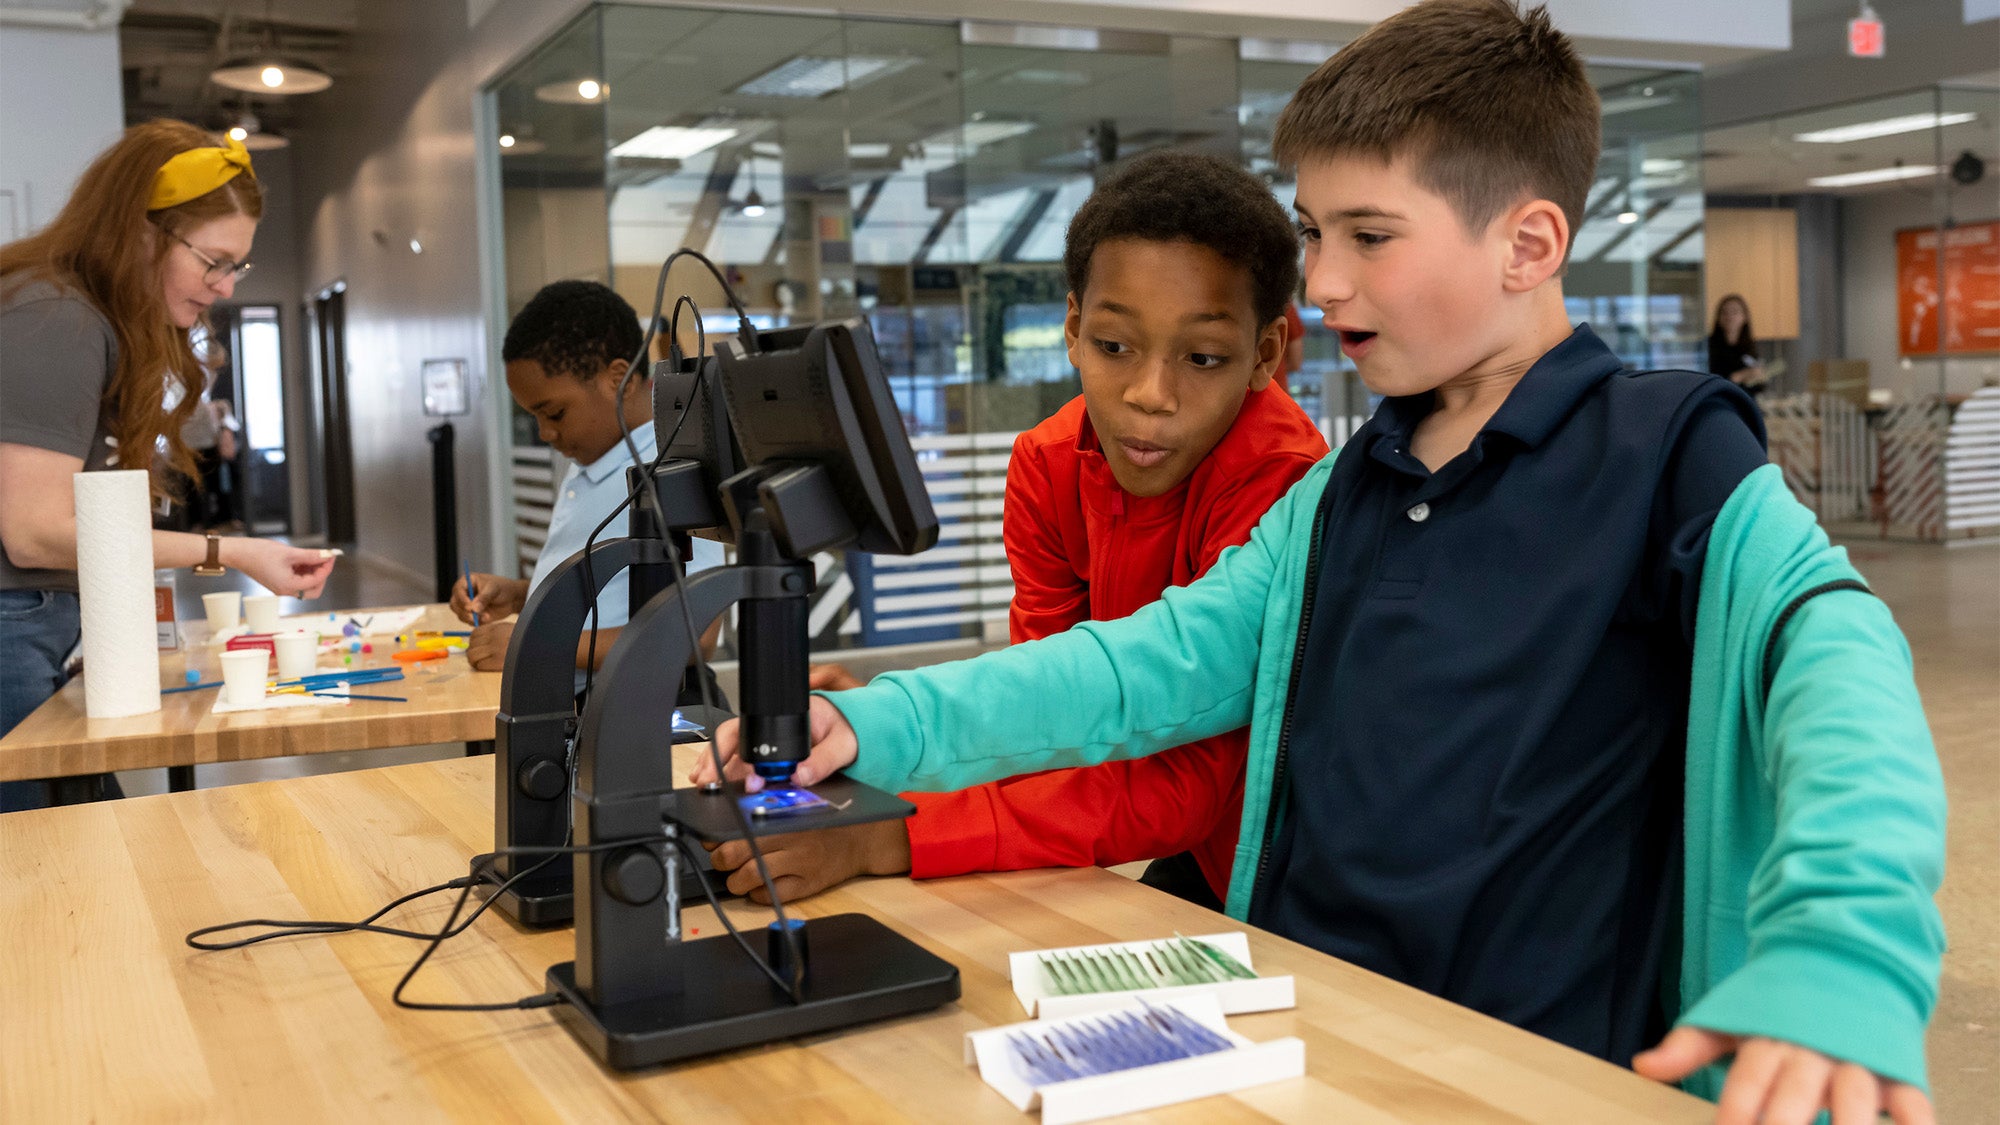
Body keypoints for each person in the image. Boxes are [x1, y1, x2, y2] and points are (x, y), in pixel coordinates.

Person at [697, 4, 1947, 1122]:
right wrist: (876, 728)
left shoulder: (1671, 451)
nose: (1327, 279)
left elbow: (1843, 673)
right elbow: (1149, 665)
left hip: (1528, 1069)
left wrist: (1839, 950)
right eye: (1312, 231)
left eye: (1368, 235)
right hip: (1298, 1029)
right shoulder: (1348, 483)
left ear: (1526, 245)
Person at [707, 152, 1328, 908]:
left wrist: (890, 833)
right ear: (1070, 327)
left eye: (1202, 357)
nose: (1149, 394)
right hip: (1185, 855)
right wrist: (879, 727)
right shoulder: (1048, 464)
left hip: (1272, 864)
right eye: (1113, 345)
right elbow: (1049, 710)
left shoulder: (1287, 481)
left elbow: (1187, 781)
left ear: (1265, 353)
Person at [0, 121, 337, 811]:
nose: (223, 287)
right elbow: (33, 531)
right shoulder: (57, 316)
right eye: (213, 260)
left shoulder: (85, 317)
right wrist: (234, 550)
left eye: (234, 267)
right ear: (141, 231)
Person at [450, 280, 723, 686]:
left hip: (628, 715)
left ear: (619, 377)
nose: (545, 433)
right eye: (534, 417)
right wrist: (523, 593)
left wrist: (538, 642)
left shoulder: (673, 470)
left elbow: (694, 635)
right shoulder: (594, 460)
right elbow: (609, 593)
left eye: (555, 413)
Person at [1707, 293, 1767, 395]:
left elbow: (1760, 386)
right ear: (1718, 318)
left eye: (1735, 312)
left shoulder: (1749, 346)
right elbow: (1712, 382)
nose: (1729, 317)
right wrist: (1740, 376)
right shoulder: (1709, 347)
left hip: (1747, 402)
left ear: (1745, 317)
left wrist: (1758, 376)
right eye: (1724, 312)